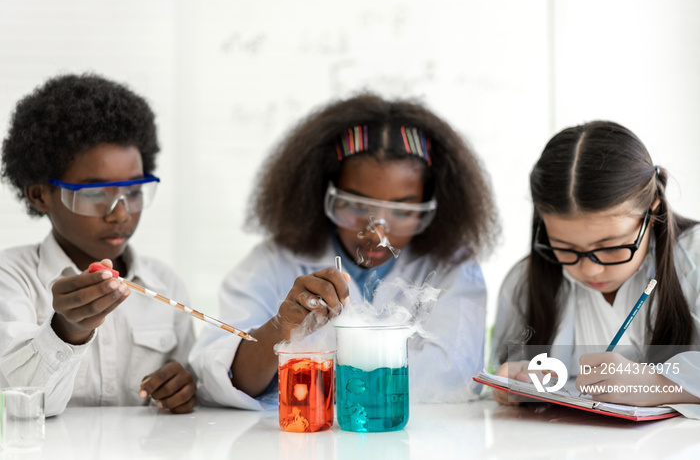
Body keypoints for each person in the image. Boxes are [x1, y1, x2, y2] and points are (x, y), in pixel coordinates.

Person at [190, 93, 498, 409]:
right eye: (356, 206)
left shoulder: (453, 267)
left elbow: (453, 379)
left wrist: (306, 376)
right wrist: (281, 327)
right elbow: (223, 378)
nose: (377, 233)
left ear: (432, 209)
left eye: (403, 213)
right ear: (322, 192)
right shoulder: (274, 262)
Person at [0, 74, 196, 416]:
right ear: (40, 194)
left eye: (133, 192)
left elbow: (192, 390)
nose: (119, 214)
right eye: (93, 193)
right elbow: (22, 405)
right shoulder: (11, 279)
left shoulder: (165, 283)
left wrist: (183, 388)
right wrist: (67, 329)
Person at [491, 120, 700, 416]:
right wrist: (513, 383)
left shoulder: (695, 257)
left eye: (611, 246)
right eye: (565, 248)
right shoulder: (524, 281)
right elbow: (500, 372)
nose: (589, 270)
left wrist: (657, 383)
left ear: (652, 211)